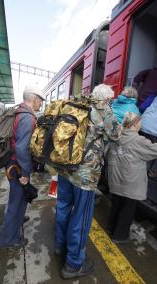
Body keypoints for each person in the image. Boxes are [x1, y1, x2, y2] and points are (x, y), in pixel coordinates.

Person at [54, 84, 121, 279]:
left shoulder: (76, 102)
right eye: (110, 100)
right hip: (84, 175)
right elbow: (116, 135)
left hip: (65, 168)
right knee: (81, 218)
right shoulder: (102, 108)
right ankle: (74, 264)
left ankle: (60, 246)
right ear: (106, 99)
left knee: (63, 208)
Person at [106, 112, 157, 243]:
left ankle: (111, 229)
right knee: (127, 209)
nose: (141, 125)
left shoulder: (115, 135)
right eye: (140, 122)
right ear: (134, 124)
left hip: (115, 178)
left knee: (116, 204)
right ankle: (119, 236)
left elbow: (106, 153)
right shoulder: (138, 140)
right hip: (130, 181)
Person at [0, 84, 45, 249]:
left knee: (19, 199)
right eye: (40, 101)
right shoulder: (28, 117)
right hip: (17, 165)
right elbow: (21, 148)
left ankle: (15, 223)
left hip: (13, 163)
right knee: (16, 202)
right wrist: (26, 172)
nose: (41, 104)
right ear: (35, 99)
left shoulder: (18, 111)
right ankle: (9, 239)